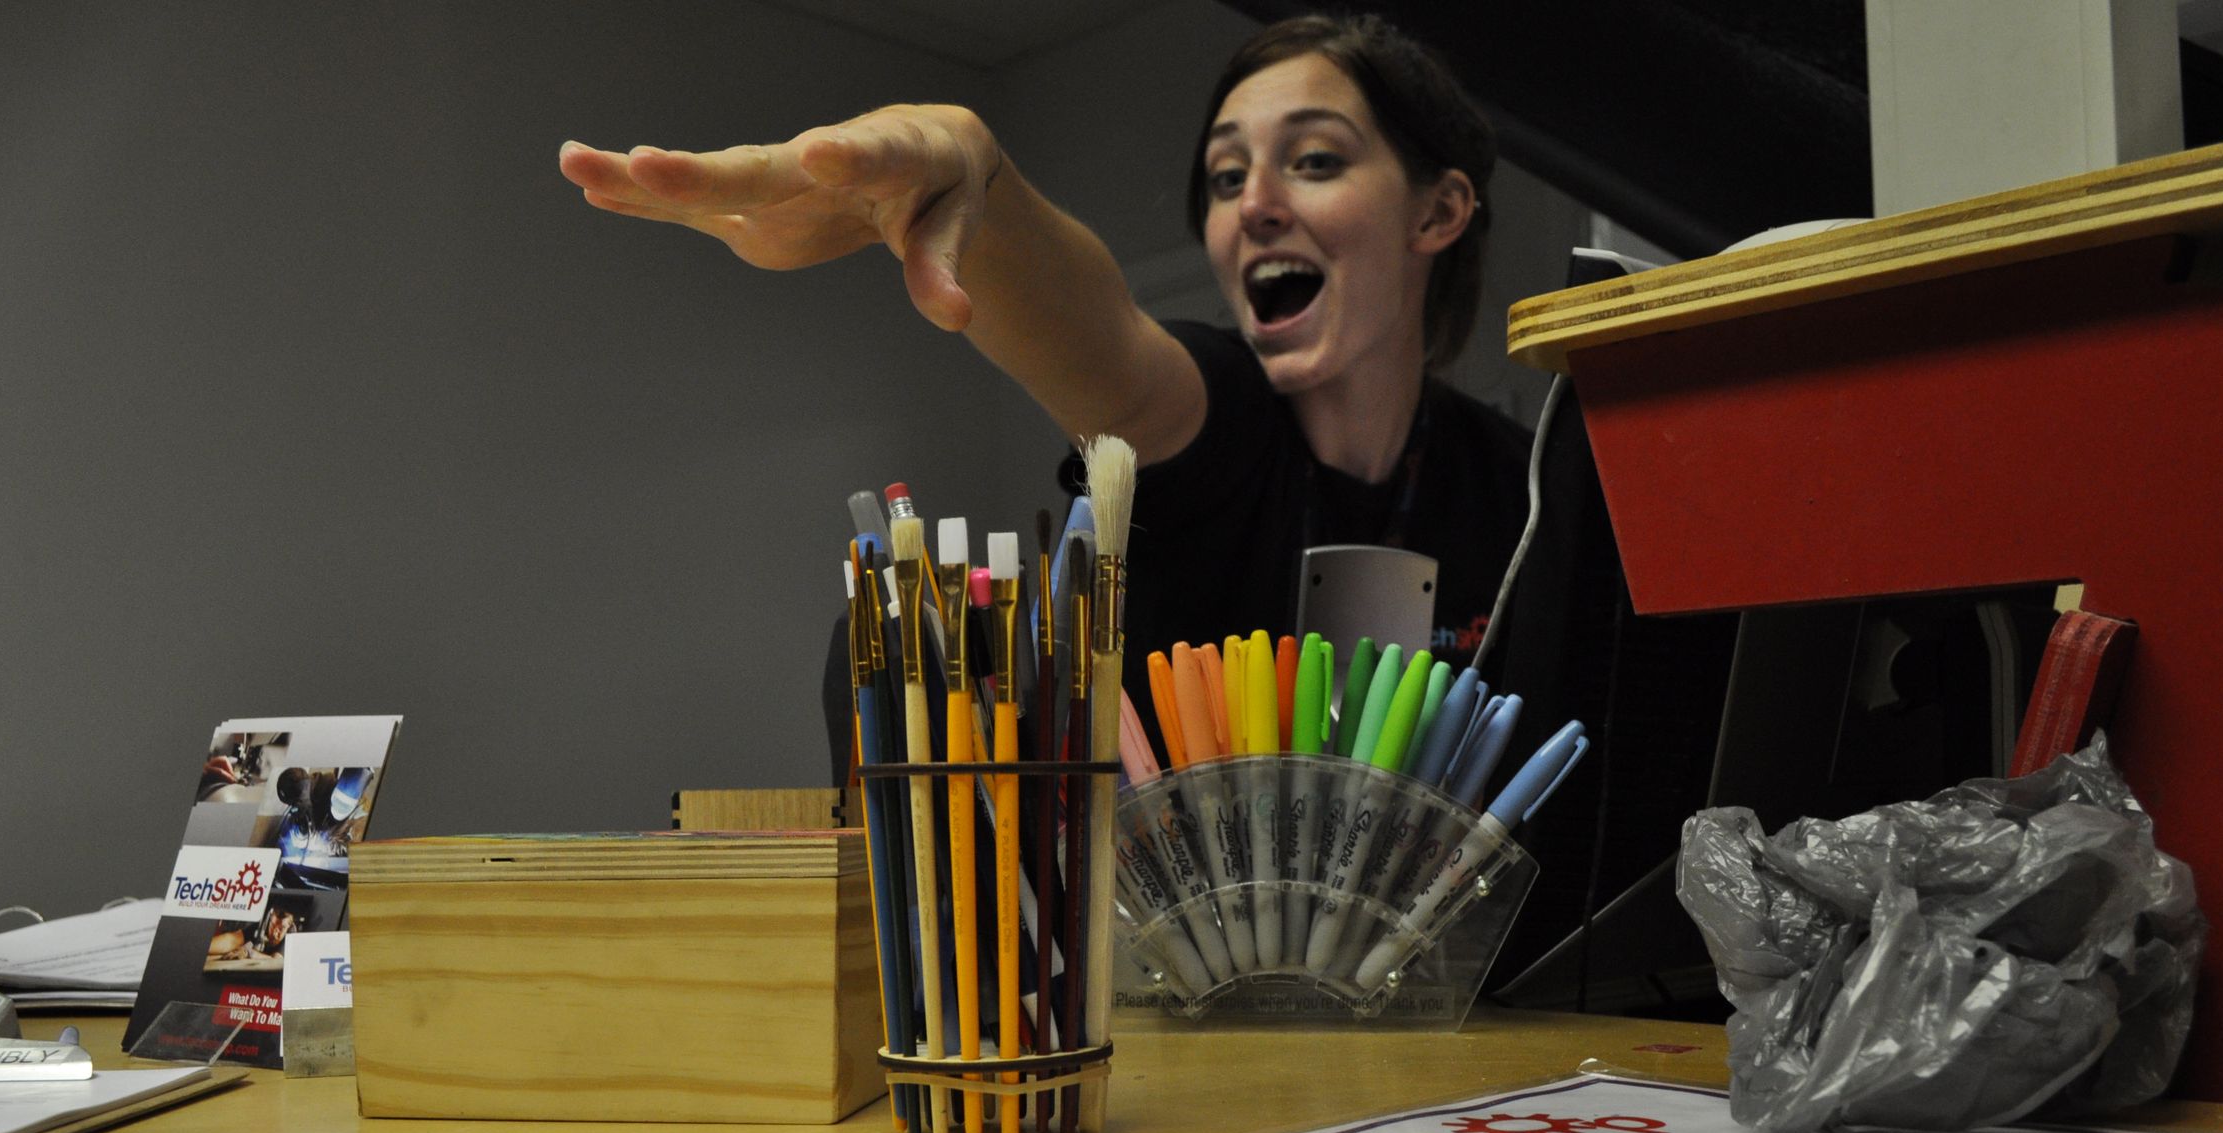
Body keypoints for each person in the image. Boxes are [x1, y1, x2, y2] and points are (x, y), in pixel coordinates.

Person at [558, 13, 1532, 674]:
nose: (1256, 206)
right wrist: (974, 177)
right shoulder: (1218, 413)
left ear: (1438, 212)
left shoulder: (1526, 490)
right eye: (1227, 178)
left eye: (1315, 160)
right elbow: (1106, 346)